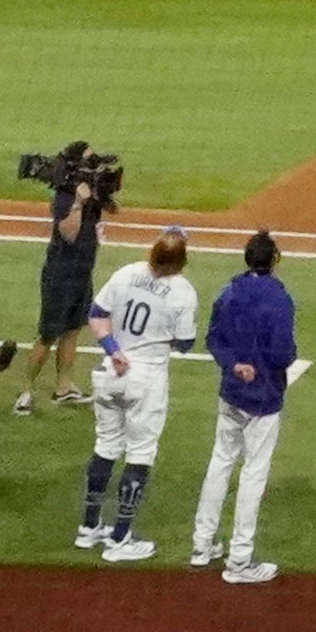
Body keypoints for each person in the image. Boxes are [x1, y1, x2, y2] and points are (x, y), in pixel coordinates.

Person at [81, 227, 204, 558]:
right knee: (140, 451)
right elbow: (185, 344)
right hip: (146, 376)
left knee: (105, 444)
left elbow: (96, 314)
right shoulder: (182, 291)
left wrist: (113, 348)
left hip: (112, 368)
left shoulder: (126, 272)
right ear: (181, 260)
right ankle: (120, 537)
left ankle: (89, 526)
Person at [194, 227, 298, 580]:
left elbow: (213, 339)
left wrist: (233, 365)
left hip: (231, 392)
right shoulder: (279, 299)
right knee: (254, 473)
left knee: (220, 462)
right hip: (264, 397)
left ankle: (202, 544)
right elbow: (284, 353)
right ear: (274, 260)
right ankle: (240, 560)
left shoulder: (229, 291)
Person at [21, 146, 118, 408]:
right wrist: (78, 202)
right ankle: (26, 392)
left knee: (73, 330)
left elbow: (111, 211)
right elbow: (68, 234)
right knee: (48, 334)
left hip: (82, 272)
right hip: (60, 275)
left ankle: (63, 388)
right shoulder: (65, 197)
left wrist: (100, 195)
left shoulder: (91, 193)